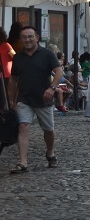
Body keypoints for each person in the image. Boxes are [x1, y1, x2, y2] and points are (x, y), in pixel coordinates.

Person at [7, 26, 62, 173]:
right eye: (24, 37)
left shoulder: (47, 54)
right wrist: (11, 98)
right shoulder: (17, 57)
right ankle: (23, 162)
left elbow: (59, 71)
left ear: (37, 37)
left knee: (48, 130)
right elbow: (13, 78)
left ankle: (50, 154)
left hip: (44, 99)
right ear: (21, 39)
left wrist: (52, 88)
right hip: (24, 99)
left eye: (30, 36)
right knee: (23, 127)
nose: (27, 40)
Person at [0, 27, 15, 110]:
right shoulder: (6, 45)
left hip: (4, 73)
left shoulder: (5, 45)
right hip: (5, 74)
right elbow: (15, 57)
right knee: (4, 96)